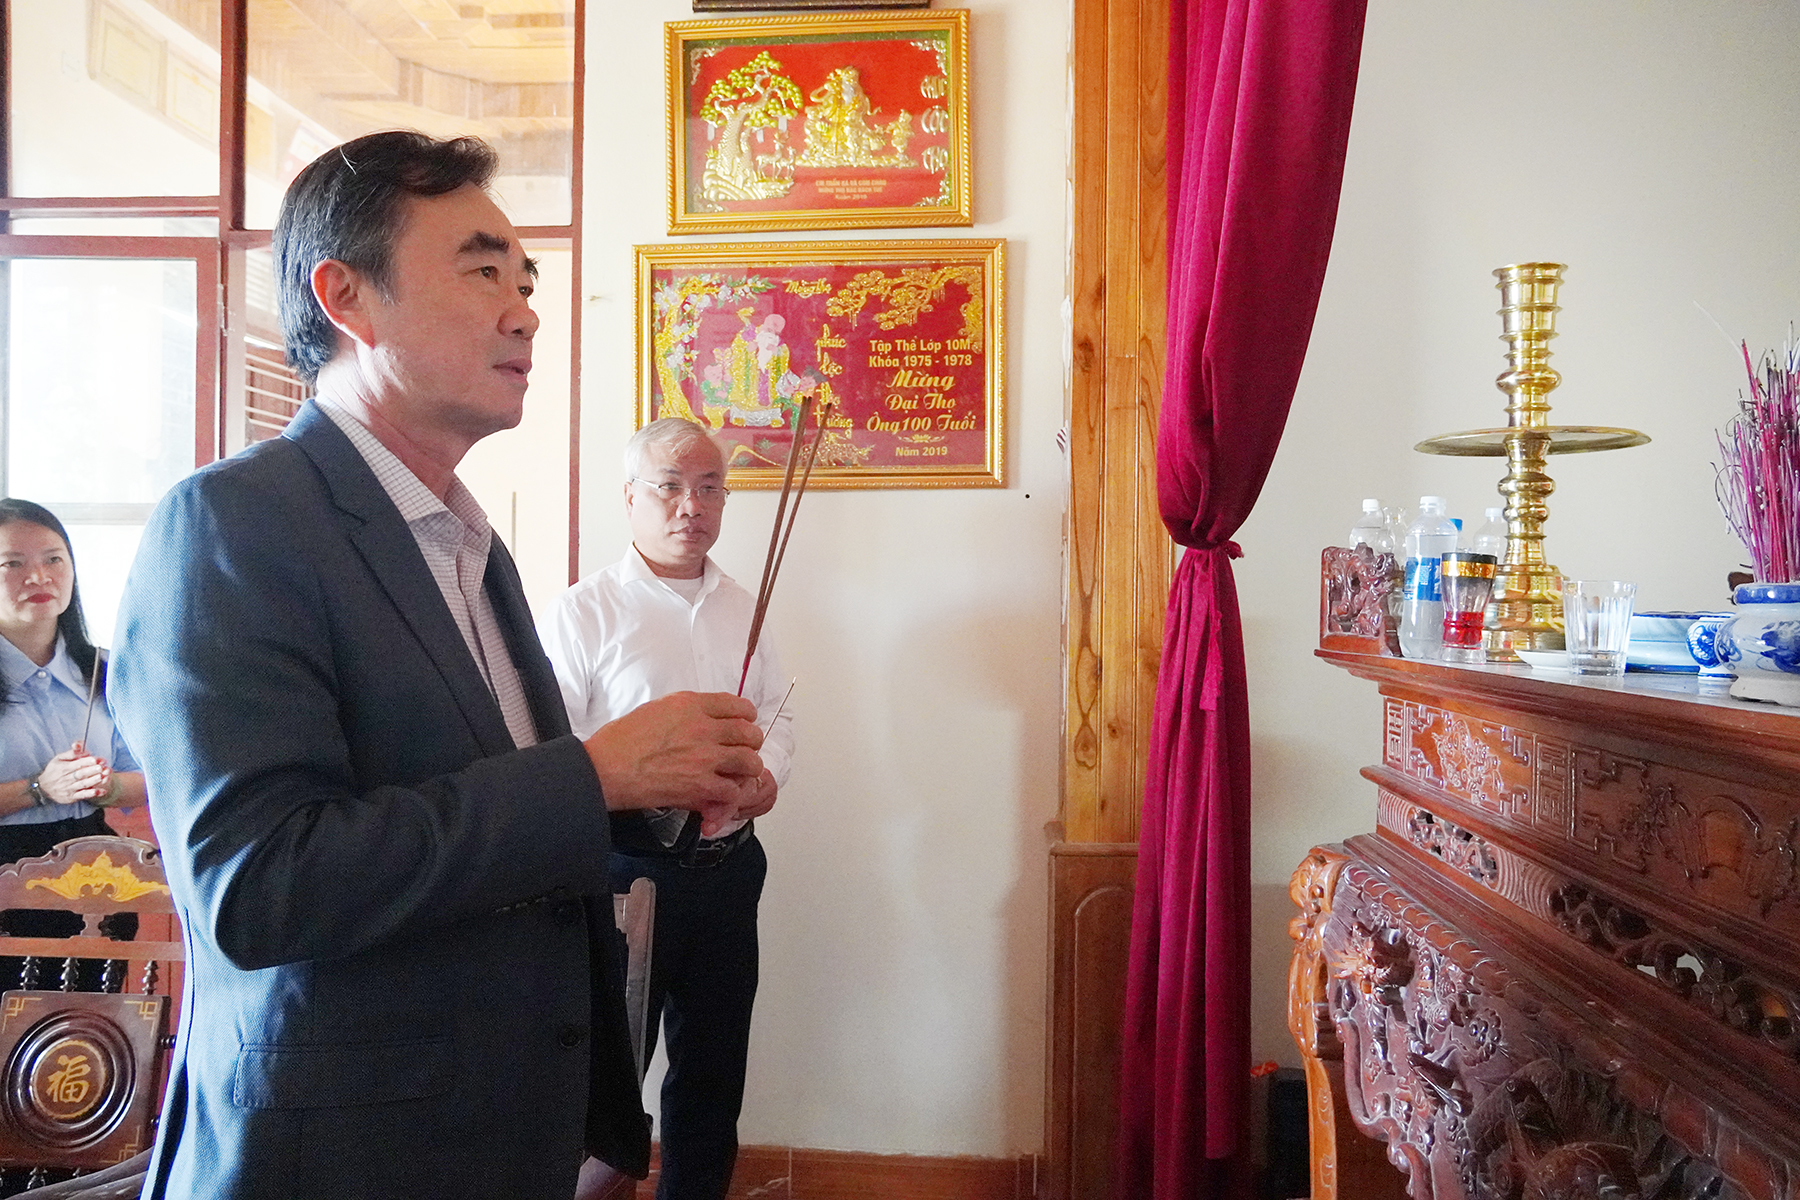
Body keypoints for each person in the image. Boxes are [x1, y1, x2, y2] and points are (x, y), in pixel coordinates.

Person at [110, 132, 770, 1200]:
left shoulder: (470, 546)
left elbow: (490, 808)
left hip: (499, 1125)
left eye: (526, 281)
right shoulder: (234, 523)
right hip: (347, 1152)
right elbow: (258, 885)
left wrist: (661, 794)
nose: (525, 312)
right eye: (481, 272)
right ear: (347, 298)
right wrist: (593, 773)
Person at [540, 418, 791, 1200]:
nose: (693, 505)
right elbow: (549, 749)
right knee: (605, 1078)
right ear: (630, 497)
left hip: (729, 869)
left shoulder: (745, 606)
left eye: (710, 488)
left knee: (713, 1072)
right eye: (671, 486)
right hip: (625, 877)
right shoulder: (583, 611)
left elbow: (777, 716)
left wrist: (764, 779)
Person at [0, 498, 146, 988]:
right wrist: (40, 789)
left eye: (53, 559)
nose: (38, 576)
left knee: (85, 1027)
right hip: (5, 879)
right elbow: (43, 789)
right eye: (12, 564)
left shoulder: (107, 671)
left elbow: (148, 777)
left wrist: (104, 787)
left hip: (94, 878)